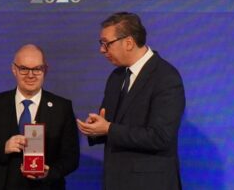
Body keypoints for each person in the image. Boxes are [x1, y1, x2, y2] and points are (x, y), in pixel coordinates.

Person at [76, 12, 185, 190]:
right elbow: (111, 126)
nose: (102, 50)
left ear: (128, 42)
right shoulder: (116, 76)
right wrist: (96, 129)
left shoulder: (166, 77)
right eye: (101, 44)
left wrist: (108, 128)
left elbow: (160, 137)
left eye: (107, 43)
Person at [0, 44, 80, 189]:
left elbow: (71, 158)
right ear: (14, 69)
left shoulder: (62, 108)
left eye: (37, 69)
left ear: (45, 70)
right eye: (24, 69)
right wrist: (3, 147)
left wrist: (49, 173)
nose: (30, 75)